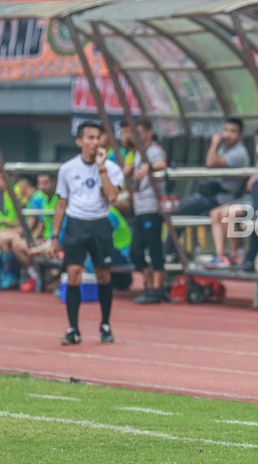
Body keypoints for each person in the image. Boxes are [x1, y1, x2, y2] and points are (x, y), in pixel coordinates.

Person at [49, 121, 125, 345]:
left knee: (103, 274)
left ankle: (105, 324)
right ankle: (73, 328)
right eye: (89, 138)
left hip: (99, 223)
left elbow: (112, 197)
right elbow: (61, 204)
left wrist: (101, 168)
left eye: (97, 138)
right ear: (79, 141)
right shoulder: (67, 169)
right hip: (76, 224)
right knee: (74, 273)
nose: (94, 143)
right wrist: (54, 237)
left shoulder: (112, 169)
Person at [165, 117, 250, 259]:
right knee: (177, 209)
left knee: (181, 209)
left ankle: (169, 251)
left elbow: (210, 163)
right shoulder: (224, 148)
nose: (227, 134)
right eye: (226, 130)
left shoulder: (239, 153)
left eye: (233, 131)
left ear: (240, 135)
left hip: (222, 198)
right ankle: (173, 251)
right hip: (210, 195)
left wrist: (215, 142)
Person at [208, 121, 258, 268]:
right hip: (252, 197)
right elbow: (253, 181)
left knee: (227, 213)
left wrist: (256, 179)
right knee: (215, 213)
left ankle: (235, 254)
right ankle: (221, 256)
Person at [123, 118, 168, 304]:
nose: (137, 136)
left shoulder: (153, 150)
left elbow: (161, 164)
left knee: (154, 248)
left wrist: (148, 167)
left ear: (148, 132)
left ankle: (157, 288)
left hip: (152, 207)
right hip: (140, 207)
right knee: (136, 251)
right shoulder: (137, 153)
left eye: (140, 132)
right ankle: (150, 283)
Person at [12, 173, 58, 291]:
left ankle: (38, 276)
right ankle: (35, 275)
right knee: (19, 245)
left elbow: (33, 223)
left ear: (53, 182)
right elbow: (41, 224)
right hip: (46, 239)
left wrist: (53, 239)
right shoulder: (42, 199)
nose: (42, 187)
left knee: (20, 245)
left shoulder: (57, 199)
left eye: (45, 183)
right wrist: (32, 240)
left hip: (56, 241)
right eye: (40, 184)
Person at [0, 174, 37, 289]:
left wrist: (7, 223)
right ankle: (7, 275)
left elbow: (27, 222)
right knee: (3, 242)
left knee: (3, 240)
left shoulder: (17, 192)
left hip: (20, 231)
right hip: (11, 230)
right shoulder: (4, 194)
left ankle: (12, 275)